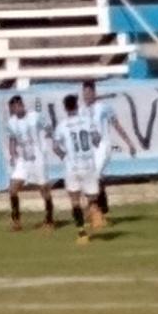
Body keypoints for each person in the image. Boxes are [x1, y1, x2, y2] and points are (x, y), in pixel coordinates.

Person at [80, 79, 136, 224]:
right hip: (89, 150)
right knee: (92, 179)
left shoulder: (104, 107)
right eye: (84, 93)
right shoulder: (81, 110)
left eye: (88, 93)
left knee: (94, 178)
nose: (86, 96)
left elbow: (117, 125)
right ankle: (101, 209)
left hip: (103, 147)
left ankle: (93, 210)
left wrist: (129, 143)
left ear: (94, 93)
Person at [52, 94, 102, 245]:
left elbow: (55, 147)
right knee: (92, 197)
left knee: (74, 201)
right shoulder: (87, 121)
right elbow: (97, 139)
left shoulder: (62, 125)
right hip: (88, 165)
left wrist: (63, 156)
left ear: (65, 108)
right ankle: (94, 211)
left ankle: (82, 233)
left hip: (72, 166)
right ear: (77, 105)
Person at [6, 94, 55, 232]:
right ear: (12, 109)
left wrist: (51, 137)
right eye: (14, 107)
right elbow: (12, 139)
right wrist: (12, 153)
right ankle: (16, 221)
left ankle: (50, 220)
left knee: (43, 189)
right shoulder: (11, 123)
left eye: (19, 105)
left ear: (22, 105)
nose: (18, 108)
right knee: (13, 188)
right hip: (23, 160)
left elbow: (48, 128)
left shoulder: (35, 116)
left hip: (38, 157)